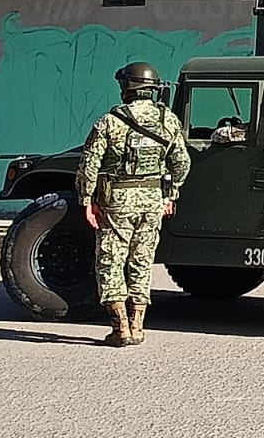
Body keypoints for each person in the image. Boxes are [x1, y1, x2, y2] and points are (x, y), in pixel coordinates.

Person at [77, 62, 192, 348]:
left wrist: (87, 200)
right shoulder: (168, 120)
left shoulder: (110, 121)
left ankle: (120, 328)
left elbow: (89, 165)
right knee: (141, 260)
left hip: (117, 202)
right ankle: (138, 326)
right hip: (152, 201)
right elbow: (182, 162)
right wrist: (170, 195)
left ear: (127, 88)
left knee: (111, 261)